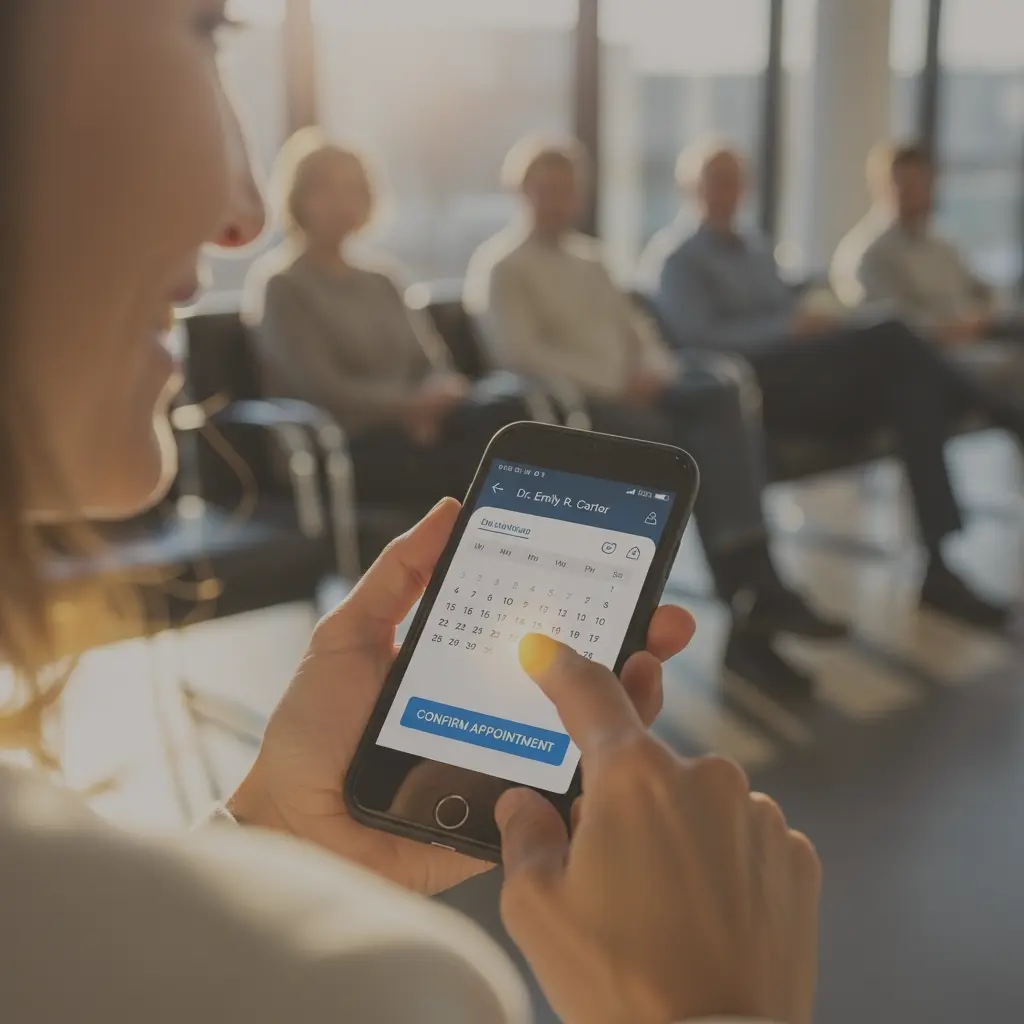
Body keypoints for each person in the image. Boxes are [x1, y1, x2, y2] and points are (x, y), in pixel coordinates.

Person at [1, 3, 822, 1023]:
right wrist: (709, 1008)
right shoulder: (374, 987)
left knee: (548, 410)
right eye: (205, 28)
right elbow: (320, 382)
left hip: (445, 422)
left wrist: (271, 836)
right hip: (359, 441)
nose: (240, 207)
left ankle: (726, 574)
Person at [466, 138, 849, 697]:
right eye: (544, 188)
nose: (556, 199)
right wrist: (615, 381)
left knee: (722, 386)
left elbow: (638, 331)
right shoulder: (501, 266)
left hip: (640, 390)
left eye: (565, 188)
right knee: (703, 446)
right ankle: (756, 595)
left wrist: (653, 372)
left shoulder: (590, 258)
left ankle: (755, 594)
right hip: (584, 406)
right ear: (519, 191)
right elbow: (521, 355)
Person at [646, 140, 1022, 633]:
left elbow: (789, 305)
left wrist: (811, 318)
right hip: (755, 387)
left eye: (735, 179)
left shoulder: (757, 248)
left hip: (810, 376)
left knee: (913, 394)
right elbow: (696, 339)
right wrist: (786, 330)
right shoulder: (678, 259)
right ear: (692, 188)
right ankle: (1004, 414)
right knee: (891, 331)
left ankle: (940, 566)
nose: (728, 191)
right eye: (716, 180)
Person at [244, 131, 527, 509]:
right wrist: (410, 409)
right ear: (299, 198)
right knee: (474, 472)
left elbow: (433, 364)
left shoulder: (383, 279)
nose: (341, 203)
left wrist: (432, 405)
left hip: (418, 425)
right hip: (342, 443)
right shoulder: (282, 286)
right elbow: (322, 389)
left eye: (353, 191)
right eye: (326, 190)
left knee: (508, 413)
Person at [831, 141, 1024, 402]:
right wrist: (947, 330)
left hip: (974, 339)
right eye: (905, 183)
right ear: (881, 186)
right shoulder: (866, 253)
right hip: (927, 357)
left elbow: (985, 290)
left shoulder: (941, 245)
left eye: (923, 182)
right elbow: (885, 327)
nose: (917, 191)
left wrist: (981, 318)